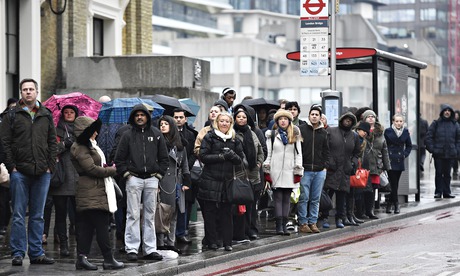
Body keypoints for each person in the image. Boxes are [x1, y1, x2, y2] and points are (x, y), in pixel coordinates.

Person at [0, 78, 57, 266]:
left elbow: (52, 142)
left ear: (37, 92)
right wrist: (12, 167)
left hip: (42, 172)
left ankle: (36, 253)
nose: (28, 92)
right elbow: (5, 143)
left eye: (31, 89)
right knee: (17, 214)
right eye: (25, 89)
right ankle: (18, 253)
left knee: (38, 214)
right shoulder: (11, 115)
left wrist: (50, 166)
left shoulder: (46, 114)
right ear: (21, 92)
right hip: (20, 172)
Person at [115, 104, 169, 261]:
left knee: (150, 215)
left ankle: (150, 249)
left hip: (152, 179)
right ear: (133, 117)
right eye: (137, 115)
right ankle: (131, 248)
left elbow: (164, 158)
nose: (140, 117)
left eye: (142, 115)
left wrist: (158, 175)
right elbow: (119, 158)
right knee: (132, 214)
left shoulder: (157, 134)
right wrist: (127, 175)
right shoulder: (127, 135)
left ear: (147, 117)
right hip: (134, 179)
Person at [70, 116, 124, 270]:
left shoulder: (89, 145)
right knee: (101, 226)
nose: (96, 133)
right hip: (91, 191)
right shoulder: (80, 147)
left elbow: (95, 165)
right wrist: (111, 170)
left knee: (87, 227)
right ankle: (108, 259)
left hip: (95, 189)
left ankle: (82, 258)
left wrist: (105, 166)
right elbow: (91, 169)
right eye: (93, 130)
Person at [199, 112, 245, 251]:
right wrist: (220, 156)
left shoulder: (235, 139)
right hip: (210, 180)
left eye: (227, 121)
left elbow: (240, 160)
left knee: (227, 213)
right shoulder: (209, 137)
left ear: (230, 124)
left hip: (227, 181)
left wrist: (232, 155)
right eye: (221, 121)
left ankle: (227, 242)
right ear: (217, 122)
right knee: (210, 214)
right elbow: (203, 156)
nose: (224, 123)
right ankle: (212, 242)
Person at [263, 109, 303, 235]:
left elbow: (299, 154)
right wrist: (267, 171)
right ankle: (278, 225)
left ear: (289, 121)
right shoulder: (272, 135)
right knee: (278, 198)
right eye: (280, 119)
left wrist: (297, 170)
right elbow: (269, 154)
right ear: (277, 121)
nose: (283, 121)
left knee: (287, 199)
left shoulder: (295, 134)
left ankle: (285, 224)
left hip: (289, 171)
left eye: (285, 119)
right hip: (276, 171)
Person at [156, 115, 191, 254]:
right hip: (163, 181)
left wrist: (186, 181)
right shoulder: (158, 143)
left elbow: (185, 164)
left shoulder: (180, 145)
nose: (163, 126)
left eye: (166, 124)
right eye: (161, 124)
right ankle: (160, 242)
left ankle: (170, 242)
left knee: (175, 213)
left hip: (177, 182)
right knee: (162, 212)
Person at [49, 105, 79, 257]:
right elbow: (51, 150)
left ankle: (81, 245)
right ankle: (64, 245)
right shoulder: (55, 130)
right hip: (60, 178)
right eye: (66, 112)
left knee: (79, 215)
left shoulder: (81, 131)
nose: (68, 114)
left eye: (71, 112)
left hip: (77, 178)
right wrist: (64, 144)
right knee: (60, 214)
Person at [321, 112, 360, 228]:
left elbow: (357, 153)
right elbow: (325, 148)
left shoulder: (354, 136)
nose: (347, 122)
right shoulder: (331, 131)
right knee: (327, 194)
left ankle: (340, 218)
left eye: (350, 121)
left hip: (345, 169)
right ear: (341, 120)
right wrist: (329, 162)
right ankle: (325, 217)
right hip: (332, 169)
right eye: (346, 120)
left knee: (342, 195)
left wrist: (353, 163)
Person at [232, 109, 264, 241]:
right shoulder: (232, 133)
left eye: (243, 117)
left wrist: (258, 164)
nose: (241, 119)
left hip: (253, 175)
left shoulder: (252, 133)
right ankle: (242, 231)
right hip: (240, 175)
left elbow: (261, 151)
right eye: (238, 117)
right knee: (240, 206)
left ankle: (252, 230)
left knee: (252, 205)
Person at [297, 105, 329, 234]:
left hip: (319, 170)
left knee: (315, 198)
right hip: (305, 169)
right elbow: (298, 148)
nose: (314, 116)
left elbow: (326, 151)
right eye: (312, 114)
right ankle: (303, 222)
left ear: (320, 117)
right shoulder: (301, 129)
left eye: (317, 115)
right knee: (304, 197)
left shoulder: (324, 133)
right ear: (309, 116)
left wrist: (325, 166)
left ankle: (313, 222)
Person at [173, 108, 198, 244]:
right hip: (172, 172)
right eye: (176, 117)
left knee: (185, 203)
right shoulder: (167, 132)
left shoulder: (191, 134)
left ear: (185, 119)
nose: (178, 120)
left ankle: (182, 231)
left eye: (180, 117)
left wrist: (187, 164)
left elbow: (194, 152)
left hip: (185, 171)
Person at [425, 104, 460, 199]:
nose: (447, 112)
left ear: (451, 112)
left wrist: (456, 150)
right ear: (442, 112)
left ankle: (447, 192)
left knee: (448, 174)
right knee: (439, 173)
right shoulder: (436, 123)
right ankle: (438, 192)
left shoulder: (455, 124)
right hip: (438, 154)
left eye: (449, 110)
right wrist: (433, 149)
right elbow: (428, 137)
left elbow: (458, 139)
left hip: (450, 154)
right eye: (445, 110)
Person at [361, 110, 391, 219]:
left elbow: (385, 151)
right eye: (368, 116)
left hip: (376, 165)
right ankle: (361, 211)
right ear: (364, 119)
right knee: (362, 188)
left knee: (373, 189)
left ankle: (370, 210)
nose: (370, 118)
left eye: (372, 116)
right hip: (363, 165)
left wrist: (387, 167)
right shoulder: (359, 131)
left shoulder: (380, 133)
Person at [384, 114, 412, 214]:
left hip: (400, 160)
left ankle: (389, 204)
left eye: (400, 121)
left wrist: (404, 154)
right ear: (393, 122)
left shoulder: (405, 132)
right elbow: (384, 146)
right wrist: (385, 157)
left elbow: (409, 146)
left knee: (395, 184)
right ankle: (396, 204)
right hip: (390, 161)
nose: (399, 123)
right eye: (397, 121)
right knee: (394, 184)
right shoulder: (388, 131)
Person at [0, 98, 16, 237]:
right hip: (4, 166)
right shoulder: (3, 121)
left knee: (6, 198)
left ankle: (4, 223)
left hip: (12, 167)